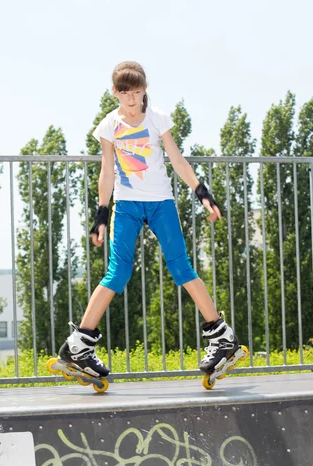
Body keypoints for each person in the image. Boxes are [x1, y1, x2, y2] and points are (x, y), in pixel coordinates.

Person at [58, 61, 240, 380]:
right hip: (126, 205)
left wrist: (202, 192)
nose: (131, 100)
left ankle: (223, 339)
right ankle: (78, 346)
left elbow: (177, 158)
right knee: (118, 272)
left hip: (161, 203)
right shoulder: (108, 126)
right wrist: (101, 214)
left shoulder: (157, 119)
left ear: (145, 90)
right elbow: (106, 171)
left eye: (137, 92)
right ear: (115, 93)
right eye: (125, 93)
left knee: (181, 267)